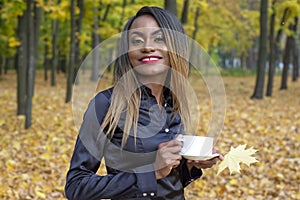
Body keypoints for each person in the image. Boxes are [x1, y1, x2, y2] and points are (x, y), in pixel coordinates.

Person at [65, 6, 223, 200]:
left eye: (159, 38)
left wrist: (189, 165)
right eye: (137, 40)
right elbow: (76, 186)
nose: (147, 46)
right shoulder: (106, 104)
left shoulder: (174, 103)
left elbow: (168, 183)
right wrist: (151, 172)